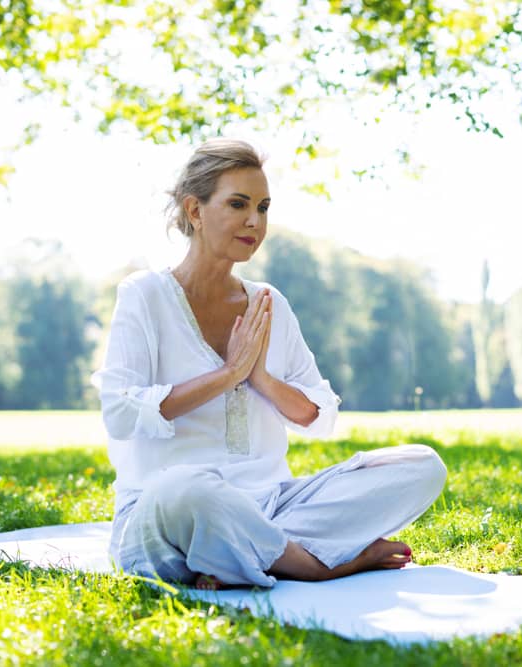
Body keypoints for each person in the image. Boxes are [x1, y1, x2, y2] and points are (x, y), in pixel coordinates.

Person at [91, 138, 447, 590]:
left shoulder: (268, 302)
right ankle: (316, 564)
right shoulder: (144, 295)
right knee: (182, 490)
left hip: (274, 503)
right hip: (168, 513)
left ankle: (237, 555)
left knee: (422, 465)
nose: (254, 222)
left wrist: (259, 378)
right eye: (238, 204)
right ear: (195, 211)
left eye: (263, 207)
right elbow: (120, 412)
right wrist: (227, 375)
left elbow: (318, 414)